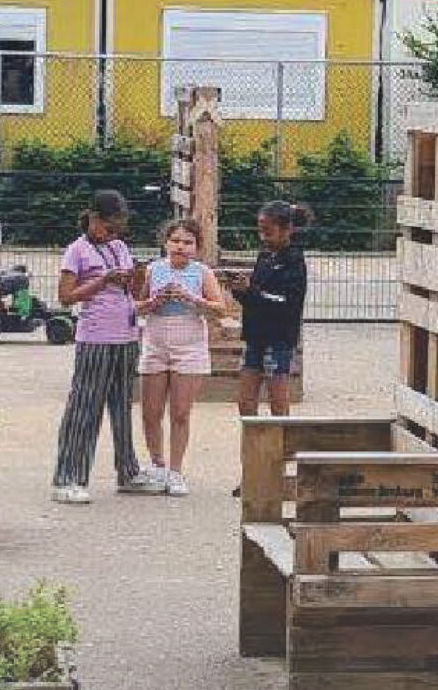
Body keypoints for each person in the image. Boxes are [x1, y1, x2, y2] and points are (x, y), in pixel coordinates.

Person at [52, 189, 166, 504]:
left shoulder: (119, 247)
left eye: (117, 229)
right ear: (93, 218)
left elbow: (135, 290)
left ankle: (127, 471)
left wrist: (137, 275)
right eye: (108, 227)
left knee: (122, 407)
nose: (112, 234)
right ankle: (68, 476)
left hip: (126, 336)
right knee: (84, 407)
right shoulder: (77, 251)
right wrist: (103, 281)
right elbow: (66, 296)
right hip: (95, 337)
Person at [133, 217, 234, 496]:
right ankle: (158, 464)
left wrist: (192, 298)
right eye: (175, 241)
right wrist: (154, 302)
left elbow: (220, 309)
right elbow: (136, 306)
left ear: (197, 247)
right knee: (150, 411)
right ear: (166, 243)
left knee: (180, 411)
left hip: (189, 342)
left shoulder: (202, 273)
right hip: (156, 339)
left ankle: (176, 471)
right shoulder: (152, 270)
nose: (180, 247)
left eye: (188, 242)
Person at [229, 201, 310, 419]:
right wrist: (240, 291)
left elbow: (287, 303)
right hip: (255, 334)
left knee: (278, 399)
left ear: (288, 229)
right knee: (245, 400)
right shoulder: (264, 256)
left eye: (269, 231)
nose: (263, 237)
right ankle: (252, 448)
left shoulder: (294, 261)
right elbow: (257, 294)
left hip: (279, 337)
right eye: (261, 231)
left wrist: (252, 292)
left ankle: (281, 445)